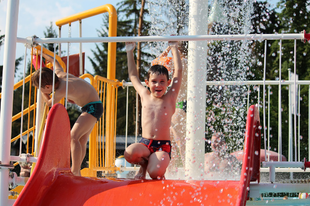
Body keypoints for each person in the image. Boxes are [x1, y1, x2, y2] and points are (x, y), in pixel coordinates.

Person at [31, 50, 103, 176]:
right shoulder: (59, 73)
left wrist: (42, 93)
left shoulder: (61, 89)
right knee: (81, 140)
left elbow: (49, 103)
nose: (42, 91)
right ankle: (77, 170)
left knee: (73, 136)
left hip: (92, 107)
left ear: (48, 87)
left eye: (41, 88)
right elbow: (55, 60)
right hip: (92, 105)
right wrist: (41, 53)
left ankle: (75, 171)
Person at [124, 41, 182, 180]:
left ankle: (155, 166)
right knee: (129, 153)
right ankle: (144, 165)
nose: (158, 85)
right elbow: (132, 76)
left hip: (162, 147)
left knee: (154, 173)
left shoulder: (170, 98)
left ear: (168, 83)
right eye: (154, 81)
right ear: (147, 82)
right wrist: (129, 51)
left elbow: (178, 72)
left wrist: (174, 48)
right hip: (145, 144)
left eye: (162, 81)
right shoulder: (145, 95)